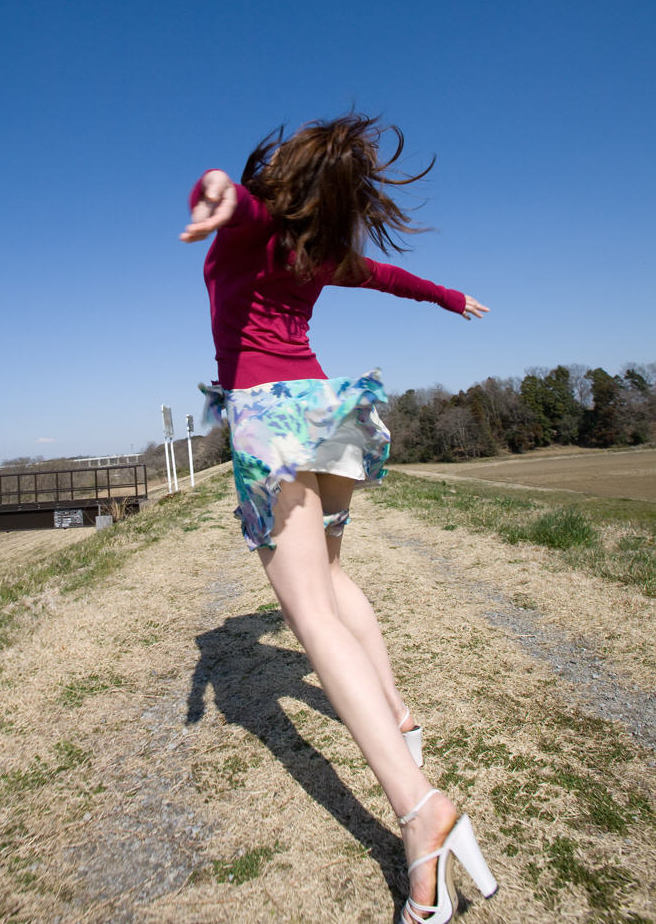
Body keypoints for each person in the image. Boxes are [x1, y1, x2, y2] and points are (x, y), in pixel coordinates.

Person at [180, 113, 497, 924]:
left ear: (280, 172)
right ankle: (396, 712)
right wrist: (452, 297)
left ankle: (420, 810)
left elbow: (230, 196)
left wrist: (215, 193)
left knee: (309, 613)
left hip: (270, 417)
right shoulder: (318, 248)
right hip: (330, 412)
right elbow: (391, 279)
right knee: (334, 576)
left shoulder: (256, 223)